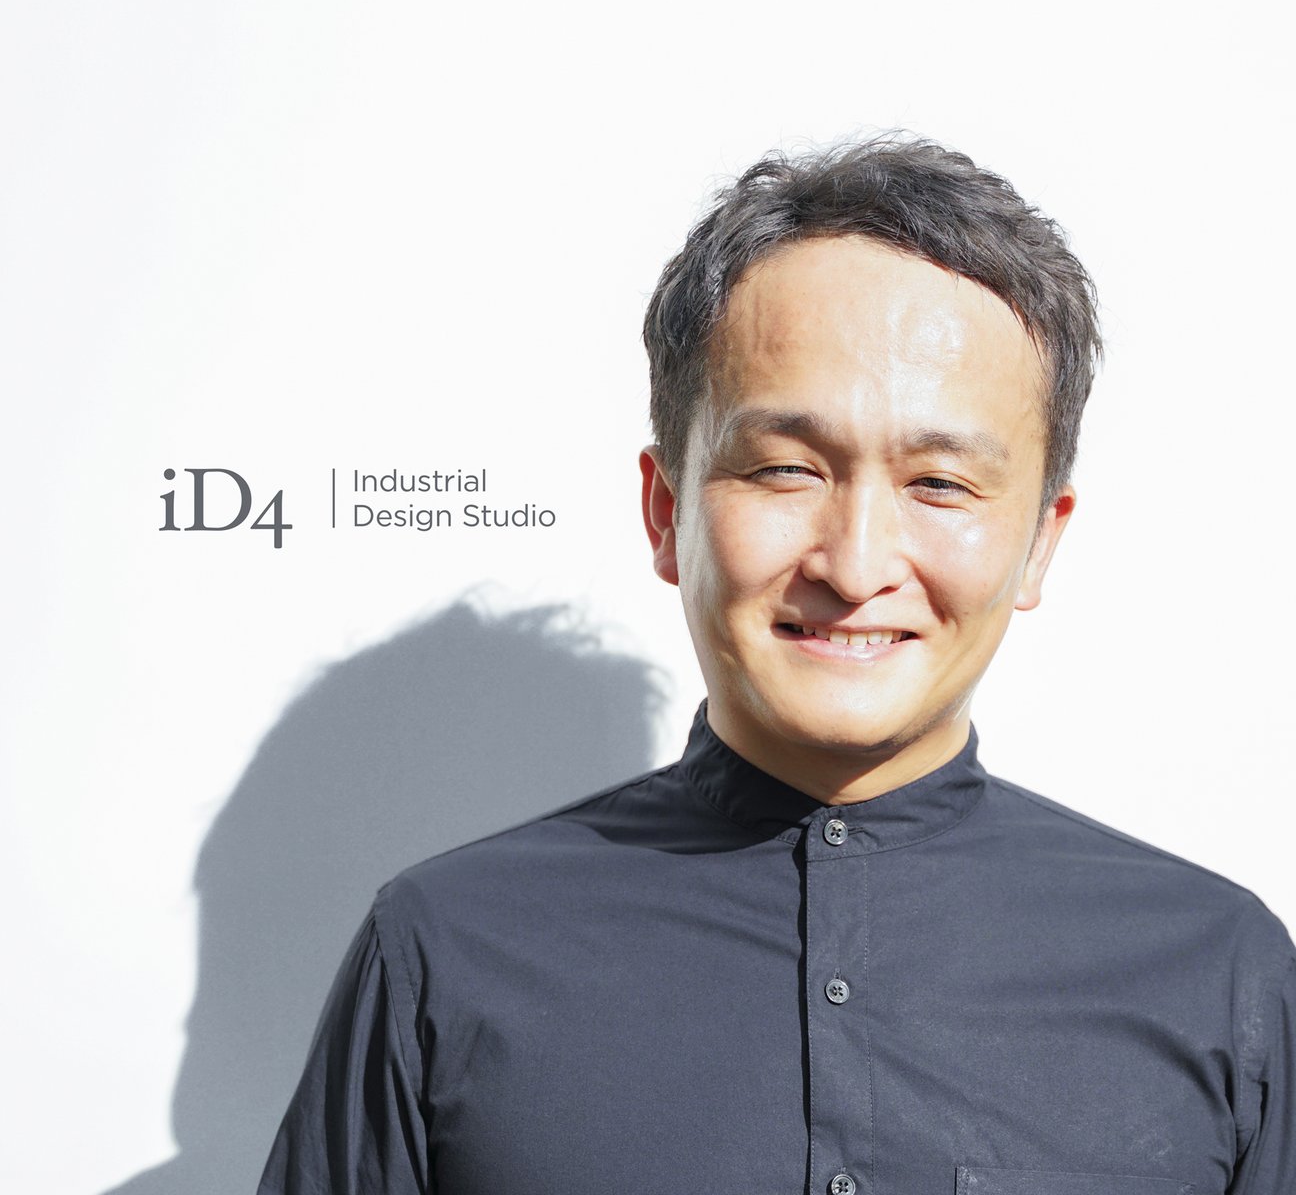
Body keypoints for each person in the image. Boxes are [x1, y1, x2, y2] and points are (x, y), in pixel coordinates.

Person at [258, 137, 1295, 1194]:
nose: (855, 565)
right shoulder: (444, 955)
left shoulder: (1221, 978)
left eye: (939, 484)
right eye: (787, 469)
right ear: (665, 510)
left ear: (1038, 541)